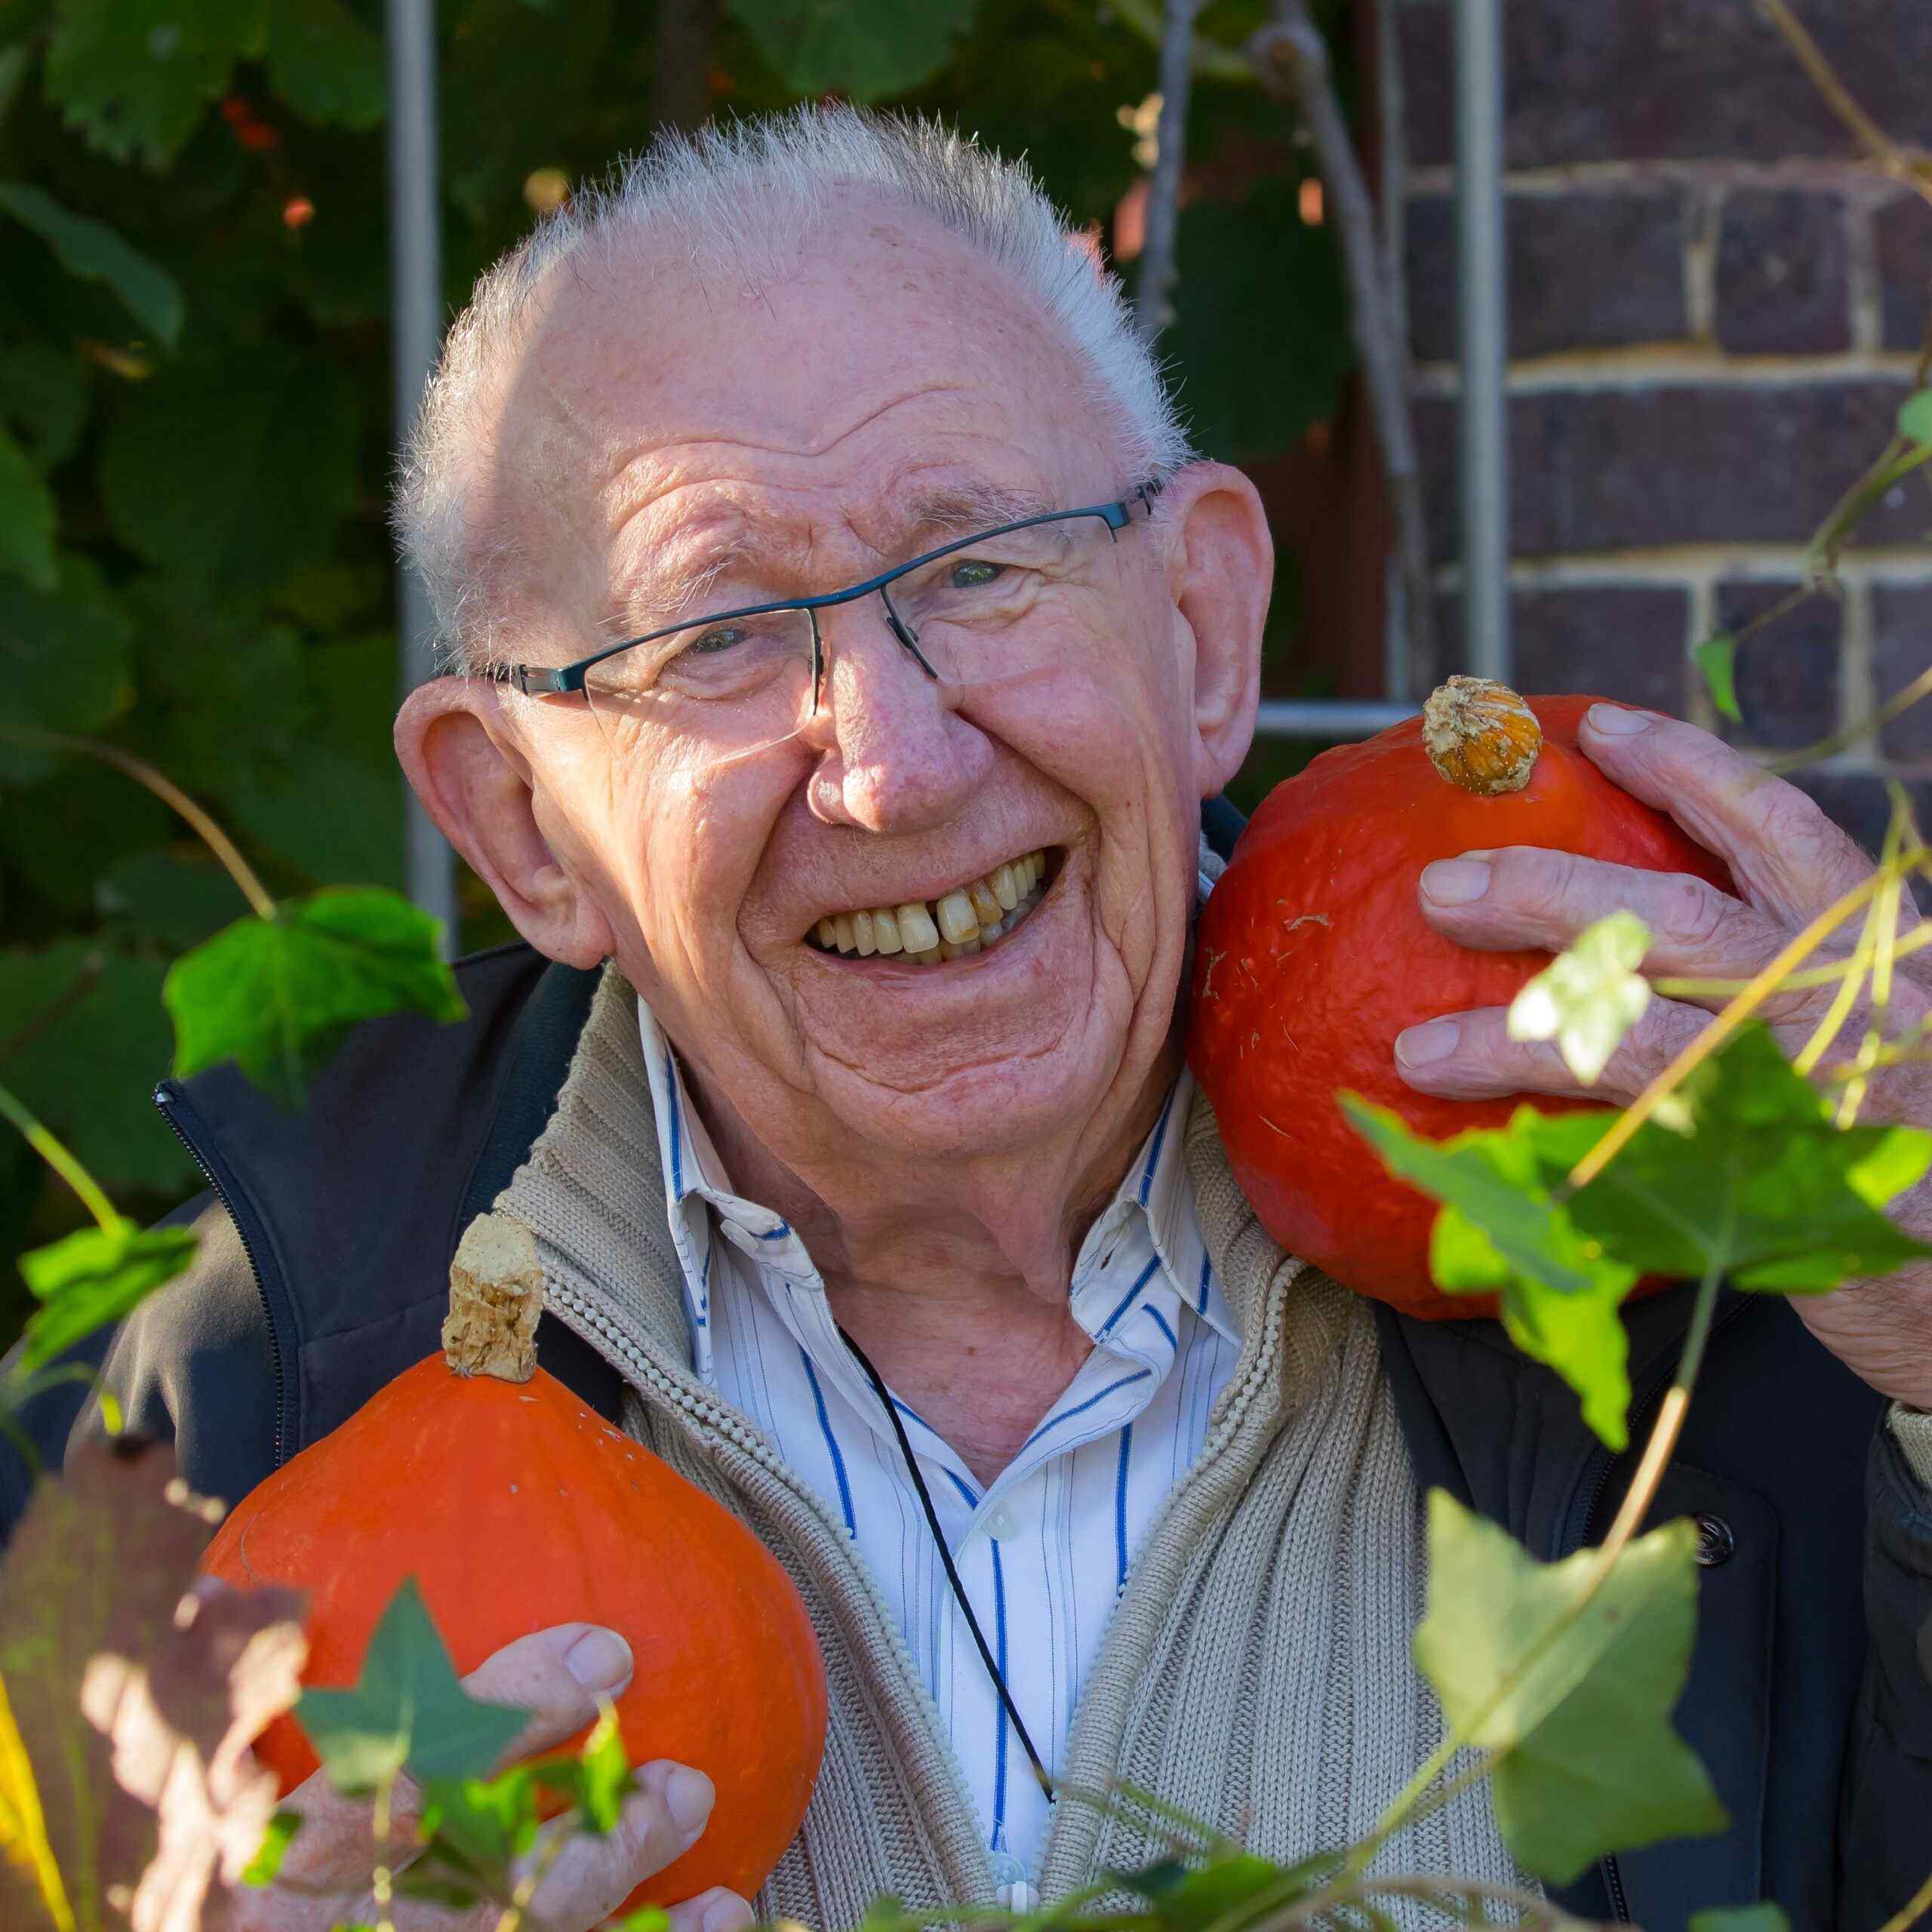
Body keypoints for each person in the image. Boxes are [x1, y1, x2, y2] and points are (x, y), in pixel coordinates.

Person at [8, 106, 1929, 1932]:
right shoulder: (208, 1415)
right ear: (523, 823)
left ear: (1197, 632)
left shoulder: (1725, 1241)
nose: (896, 767)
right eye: (721, 637)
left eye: (977, 568)